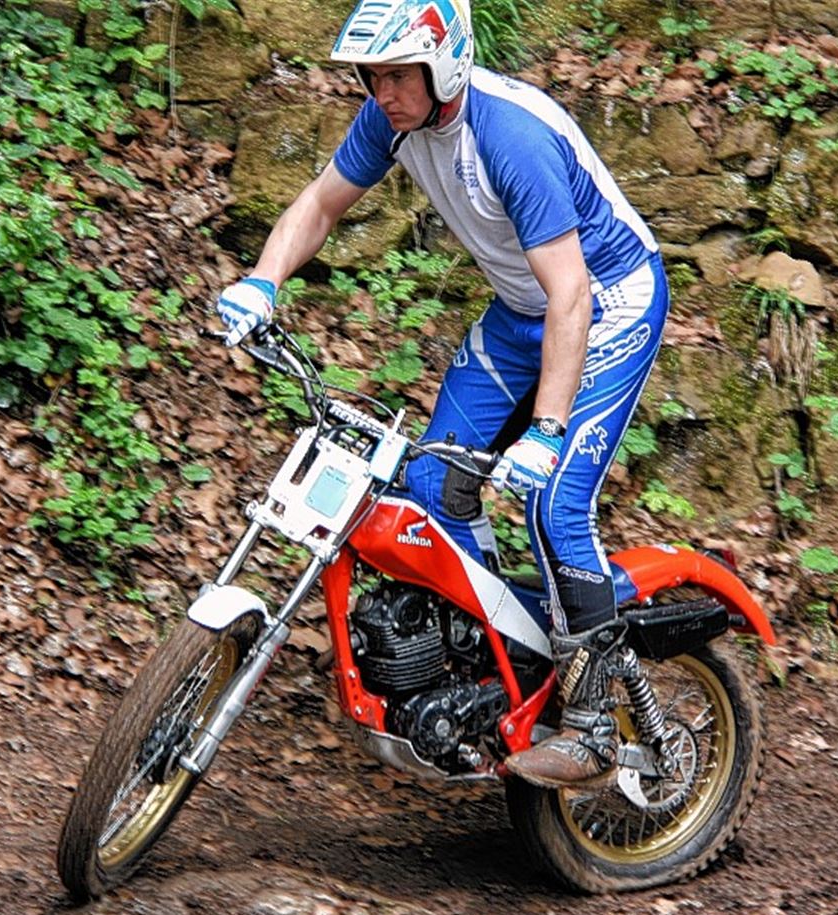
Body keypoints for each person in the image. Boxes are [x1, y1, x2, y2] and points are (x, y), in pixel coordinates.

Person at [217, 0, 669, 789]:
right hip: (522, 311)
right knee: (432, 490)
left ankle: (594, 723)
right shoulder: (390, 121)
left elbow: (572, 297)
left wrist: (547, 430)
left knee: (552, 502)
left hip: (608, 302)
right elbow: (320, 203)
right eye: (373, 76)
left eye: (397, 75)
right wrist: (262, 282)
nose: (381, 92)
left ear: (443, 63)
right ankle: (498, 662)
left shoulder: (511, 138)